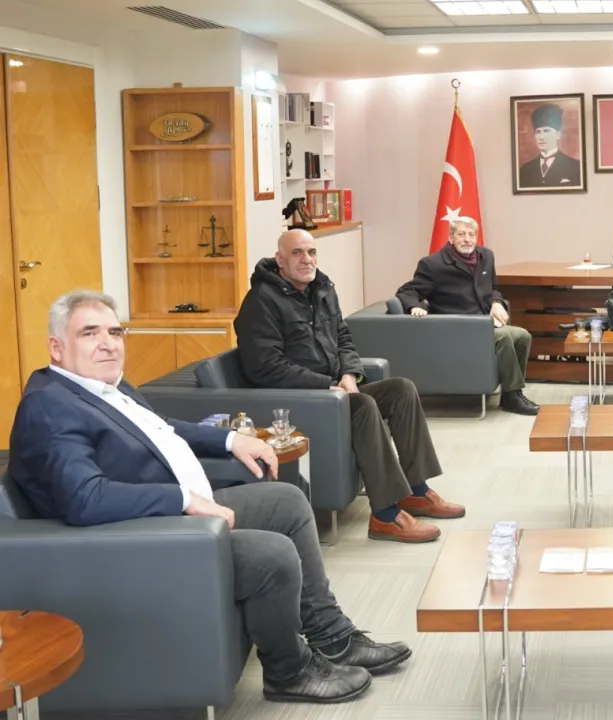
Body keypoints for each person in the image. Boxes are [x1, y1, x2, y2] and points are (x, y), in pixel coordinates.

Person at [9, 290, 413, 704]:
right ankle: (288, 671)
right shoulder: (49, 406)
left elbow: (160, 427)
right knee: (271, 554)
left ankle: (333, 636)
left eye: (115, 332)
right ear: (56, 347)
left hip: (178, 517)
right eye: (89, 333)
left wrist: (230, 439)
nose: (108, 343)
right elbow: (84, 498)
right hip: (143, 539)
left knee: (286, 501)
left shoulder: (102, 386)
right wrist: (181, 498)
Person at [235, 230, 465, 544]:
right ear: (280, 260)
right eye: (297, 253)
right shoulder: (261, 301)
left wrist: (349, 374)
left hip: (335, 391)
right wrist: (325, 386)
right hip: (300, 401)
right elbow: (264, 367)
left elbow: (343, 338)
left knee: (402, 390)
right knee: (363, 405)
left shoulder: (322, 289)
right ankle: (385, 515)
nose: (307, 260)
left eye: (311, 252)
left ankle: (415, 490)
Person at [394, 217, 540, 416]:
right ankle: (514, 396)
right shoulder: (433, 264)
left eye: (471, 235)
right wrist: (414, 307)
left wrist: (497, 302)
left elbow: (493, 289)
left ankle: (510, 394)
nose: (467, 239)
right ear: (451, 238)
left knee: (522, 336)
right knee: (504, 338)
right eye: (461, 234)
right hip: (457, 328)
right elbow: (407, 291)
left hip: (484, 323)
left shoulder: (486, 256)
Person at [517, 103, 582, 189]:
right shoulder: (525, 170)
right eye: (538, 132)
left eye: (546, 131)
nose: (541, 137)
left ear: (558, 135)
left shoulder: (575, 167)